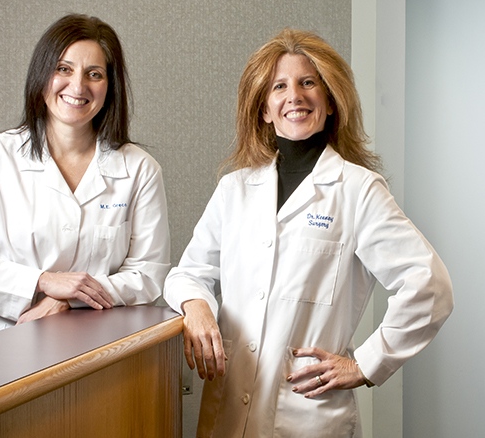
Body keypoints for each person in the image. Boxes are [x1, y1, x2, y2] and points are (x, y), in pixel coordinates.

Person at [163, 28, 453, 437]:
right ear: (264, 109)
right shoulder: (235, 189)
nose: (294, 96)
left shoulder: (357, 190)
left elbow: (431, 286)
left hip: (307, 417)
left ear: (331, 101)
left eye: (308, 82)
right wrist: (196, 306)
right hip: (228, 411)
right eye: (279, 86)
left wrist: (367, 364)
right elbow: (187, 274)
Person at [0, 14, 170, 347]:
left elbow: (148, 275)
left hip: (85, 352)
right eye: (63, 69)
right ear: (41, 74)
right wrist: (43, 282)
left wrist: (68, 298)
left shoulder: (140, 169)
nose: (78, 86)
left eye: (95, 74)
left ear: (110, 86)